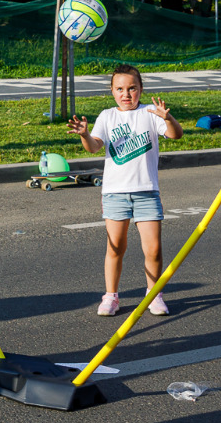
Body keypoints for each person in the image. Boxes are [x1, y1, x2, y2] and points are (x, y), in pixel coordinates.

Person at [68, 64, 183, 317]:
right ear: (112, 91)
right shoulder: (107, 117)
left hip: (147, 192)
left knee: (153, 249)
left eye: (132, 88)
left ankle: (154, 295)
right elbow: (94, 147)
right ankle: (111, 296)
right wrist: (85, 135)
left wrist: (168, 118)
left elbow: (176, 135)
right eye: (120, 89)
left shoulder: (151, 114)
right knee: (115, 247)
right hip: (115, 194)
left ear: (141, 89)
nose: (126, 94)